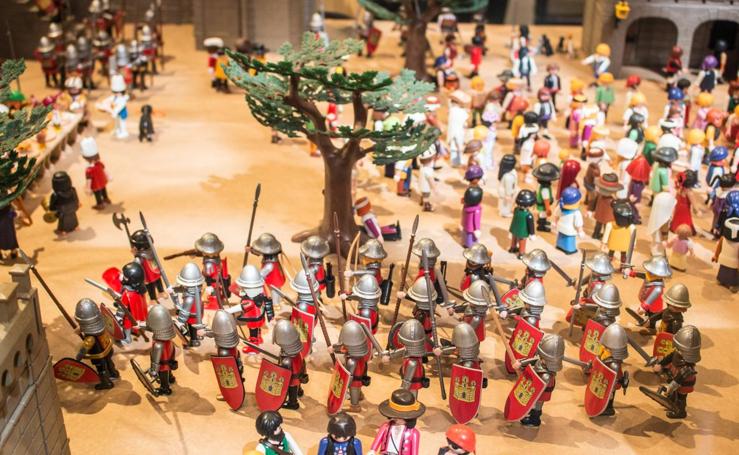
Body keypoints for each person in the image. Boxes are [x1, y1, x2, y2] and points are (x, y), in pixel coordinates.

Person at [368, 389, 425, 455]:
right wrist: (372, 450)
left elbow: (414, 450)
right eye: (394, 416)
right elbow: (378, 439)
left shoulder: (414, 433)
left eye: (399, 417)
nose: (395, 419)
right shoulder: (385, 426)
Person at [48, 171, 80, 235]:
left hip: (62, 211)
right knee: (73, 217)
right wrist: (77, 204)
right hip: (73, 208)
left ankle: (63, 230)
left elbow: (52, 206)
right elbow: (76, 198)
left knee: (63, 220)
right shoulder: (73, 189)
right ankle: (75, 226)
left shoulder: (55, 195)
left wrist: (51, 209)